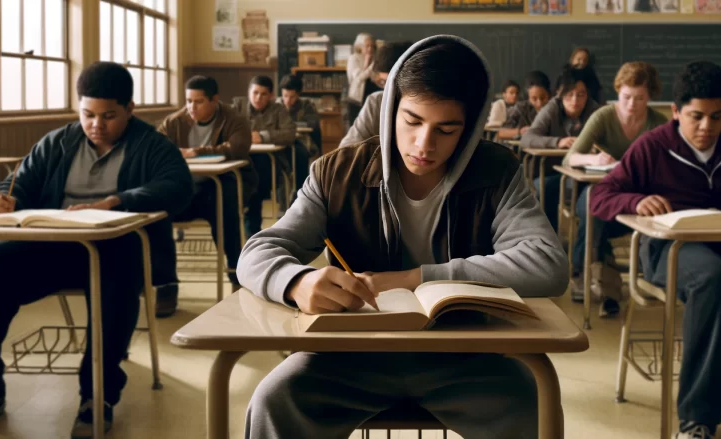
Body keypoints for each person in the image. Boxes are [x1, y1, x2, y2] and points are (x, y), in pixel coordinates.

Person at [237, 35, 569, 439]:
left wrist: (416, 278)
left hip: (465, 355)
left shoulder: (495, 171)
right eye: (412, 121)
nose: (424, 145)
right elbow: (257, 252)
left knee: (532, 405)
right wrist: (296, 281)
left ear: (469, 129)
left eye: (446, 130)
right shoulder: (336, 172)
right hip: (348, 356)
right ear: (389, 108)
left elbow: (548, 264)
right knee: (273, 401)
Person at [0, 62, 193, 438]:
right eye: (87, 114)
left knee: (116, 285)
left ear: (130, 109)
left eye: (109, 116)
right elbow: (16, 184)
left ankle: (96, 396)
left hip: (116, 249)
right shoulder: (57, 142)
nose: (97, 124)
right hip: (52, 248)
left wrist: (115, 201)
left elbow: (177, 187)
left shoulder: (151, 145)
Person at [591, 61, 721, 439]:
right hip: (675, 251)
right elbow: (601, 196)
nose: (706, 127)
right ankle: (697, 420)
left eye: (717, 117)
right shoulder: (653, 146)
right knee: (714, 281)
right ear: (676, 112)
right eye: (696, 116)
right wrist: (635, 200)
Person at [562, 61, 667, 315]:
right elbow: (570, 158)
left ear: (650, 96)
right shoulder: (604, 116)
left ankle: (618, 275)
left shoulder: (658, 122)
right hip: (601, 193)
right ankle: (590, 273)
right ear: (618, 91)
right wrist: (593, 159)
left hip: (638, 198)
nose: (631, 105)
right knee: (591, 201)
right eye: (626, 97)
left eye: (640, 98)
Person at [157, 75, 255, 316]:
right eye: (188, 101)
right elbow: (155, 148)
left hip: (220, 187)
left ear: (215, 100)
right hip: (185, 187)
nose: (191, 107)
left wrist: (197, 151)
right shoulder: (175, 122)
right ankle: (166, 285)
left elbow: (240, 147)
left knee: (225, 205)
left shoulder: (233, 118)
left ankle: (236, 271)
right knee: (156, 214)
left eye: (198, 102)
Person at [521, 64, 601, 231]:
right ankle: (550, 242)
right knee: (546, 189)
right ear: (560, 94)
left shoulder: (594, 110)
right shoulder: (552, 107)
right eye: (569, 95)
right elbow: (527, 139)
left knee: (594, 198)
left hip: (584, 175)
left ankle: (593, 250)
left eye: (581, 95)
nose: (575, 101)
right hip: (551, 172)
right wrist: (558, 142)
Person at [244, 75, 296, 237]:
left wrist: (263, 136)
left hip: (269, 164)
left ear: (271, 96)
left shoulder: (278, 110)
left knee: (257, 176)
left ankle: (252, 227)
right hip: (241, 162)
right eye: (255, 93)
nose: (258, 98)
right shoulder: (238, 108)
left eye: (263, 94)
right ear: (249, 93)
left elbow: (289, 133)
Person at [339, 41, 412, 147]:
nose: (389, 91)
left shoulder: (429, 105)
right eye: (383, 82)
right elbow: (346, 149)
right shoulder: (377, 101)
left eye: (396, 83)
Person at [276, 75, 320, 203]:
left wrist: (288, 127)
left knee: (299, 157)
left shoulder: (306, 105)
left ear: (298, 95)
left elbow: (312, 123)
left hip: (302, 143)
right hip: (281, 144)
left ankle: (300, 197)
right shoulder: (276, 105)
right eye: (285, 96)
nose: (288, 100)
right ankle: (284, 204)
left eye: (292, 96)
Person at [496, 71, 551, 140]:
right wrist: (520, 131)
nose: (539, 103)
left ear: (549, 95)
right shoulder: (521, 108)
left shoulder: (554, 108)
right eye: (534, 99)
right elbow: (501, 133)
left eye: (543, 98)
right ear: (528, 96)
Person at [346, 32, 378, 124]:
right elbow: (359, 78)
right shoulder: (354, 58)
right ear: (360, 46)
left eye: (372, 46)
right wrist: (368, 64)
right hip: (357, 100)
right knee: (356, 128)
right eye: (367, 46)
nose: (370, 49)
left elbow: (376, 77)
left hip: (372, 99)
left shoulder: (376, 59)